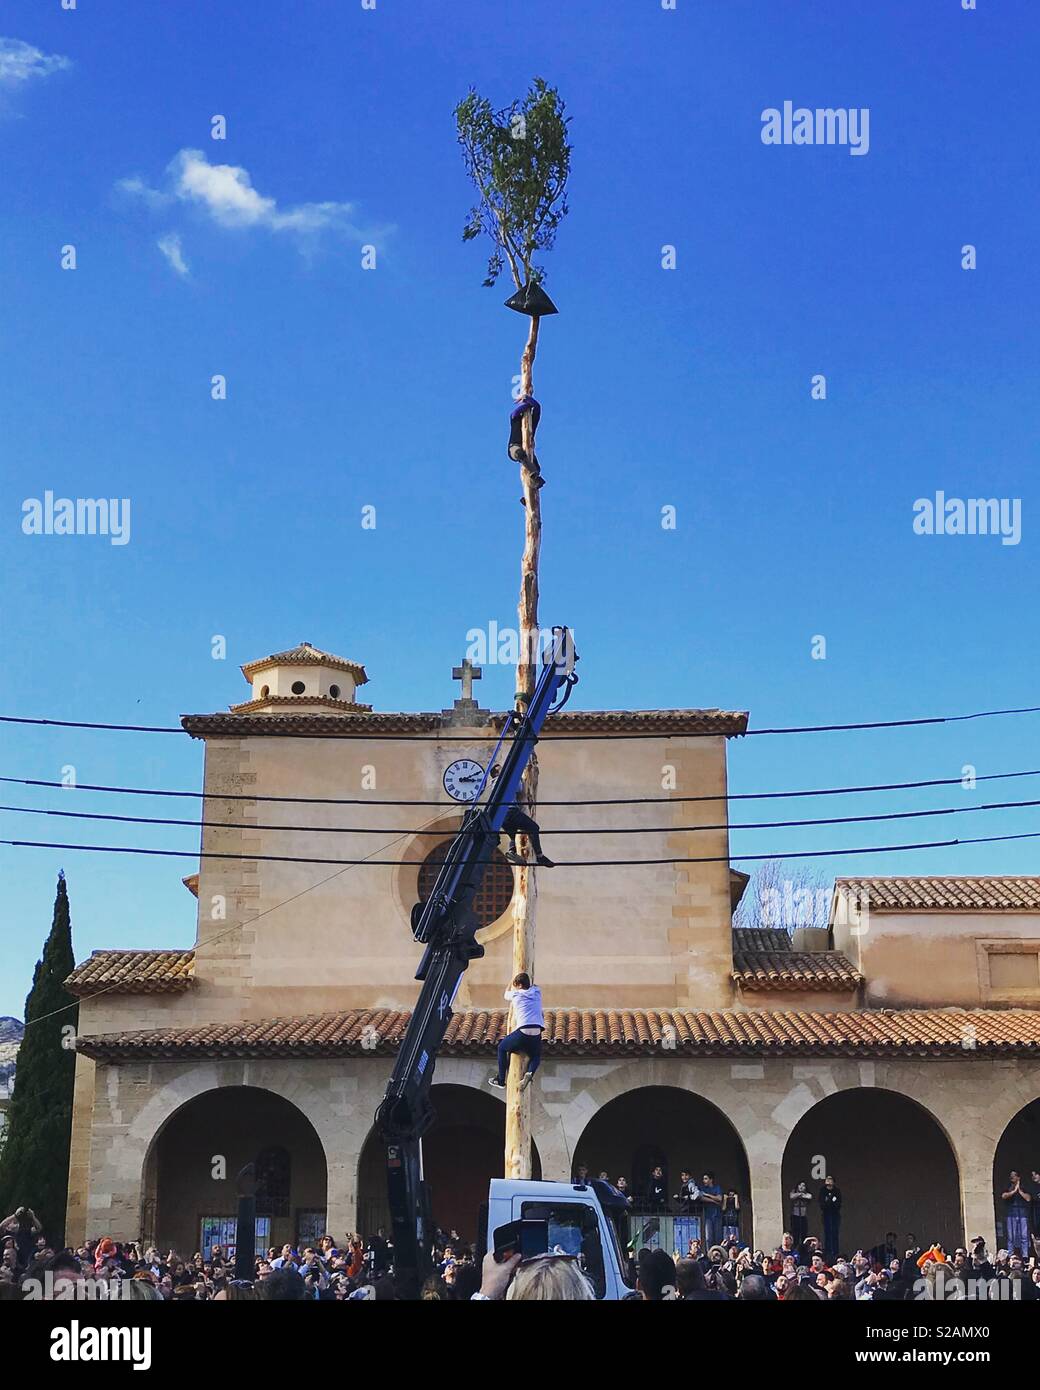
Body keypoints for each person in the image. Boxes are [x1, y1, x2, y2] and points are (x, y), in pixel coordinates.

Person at [489, 765, 554, 867]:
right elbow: (519, 788)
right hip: (511, 811)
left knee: (512, 835)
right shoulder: (504, 780)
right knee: (534, 827)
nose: (504, 769)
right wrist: (518, 777)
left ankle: (512, 850)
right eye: (501, 769)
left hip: (502, 816)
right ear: (496, 774)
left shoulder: (493, 785)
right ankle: (540, 856)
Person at [489, 972, 544, 1092]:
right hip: (536, 1032)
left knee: (502, 1048)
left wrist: (510, 981)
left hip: (523, 1031)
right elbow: (534, 985)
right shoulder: (537, 992)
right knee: (536, 1056)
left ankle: (501, 1080)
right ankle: (529, 1072)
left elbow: (505, 994)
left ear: (518, 985)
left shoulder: (516, 994)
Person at [507, 394, 545, 489]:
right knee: (520, 454)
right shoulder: (515, 419)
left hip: (528, 448)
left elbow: (537, 407)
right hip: (514, 447)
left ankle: (530, 491)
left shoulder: (531, 424)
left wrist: (528, 398)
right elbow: (515, 413)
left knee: (537, 468)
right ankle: (533, 475)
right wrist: (528, 404)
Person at [1001, 1170, 1032, 1255]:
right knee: (1011, 1237)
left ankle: (1025, 1255)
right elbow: (1004, 1196)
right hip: (1011, 1214)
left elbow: (1028, 1198)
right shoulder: (1008, 1186)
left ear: (1018, 1177)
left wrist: (1019, 1191)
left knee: (1024, 1236)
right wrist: (1014, 1191)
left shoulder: (1024, 1186)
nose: (1012, 1177)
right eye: (1011, 1175)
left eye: (1014, 1175)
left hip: (1023, 1214)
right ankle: (1011, 1255)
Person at [818, 1175, 842, 1263]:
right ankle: (828, 1253)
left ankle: (835, 1253)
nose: (828, 1181)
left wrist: (831, 1201)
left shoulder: (837, 1191)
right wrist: (830, 1201)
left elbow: (838, 1204)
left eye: (830, 1179)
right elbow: (822, 1204)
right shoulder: (823, 1191)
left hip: (835, 1215)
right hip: (826, 1215)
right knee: (827, 1233)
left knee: (834, 1234)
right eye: (827, 1179)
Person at [788, 1182, 810, 1247]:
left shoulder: (807, 1193)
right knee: (795, 1234)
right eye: (800, 1185)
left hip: (803, 1217)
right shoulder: (793, 1192)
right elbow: (791, 1196)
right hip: (795, 1216)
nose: (801, 1187)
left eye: (803, 1186)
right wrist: (800, 1194)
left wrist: (801, 1195)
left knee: (804, 1234)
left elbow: (809, 1196)